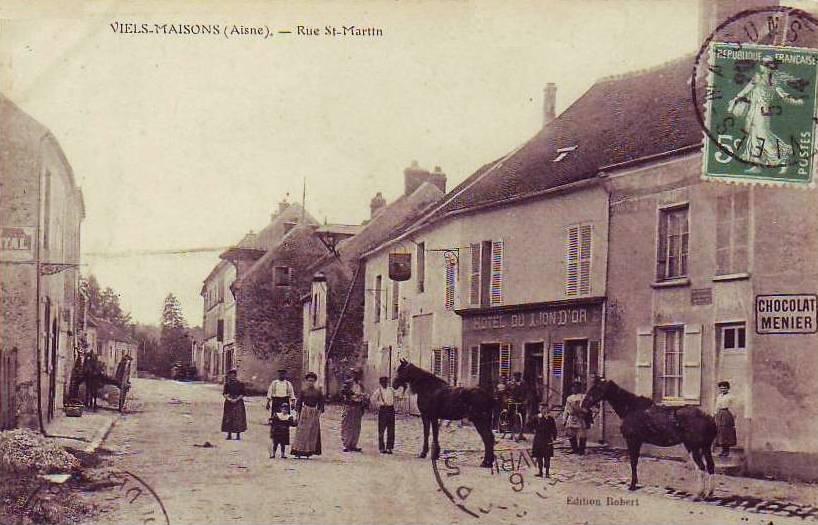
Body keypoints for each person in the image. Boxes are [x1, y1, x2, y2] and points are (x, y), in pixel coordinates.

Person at [728, 55, 804, 175]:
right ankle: (757, 164)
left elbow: (782, 94)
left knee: (764, 137)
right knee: (754, 138)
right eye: (764, 65)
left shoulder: (770, 80)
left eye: (766, 65)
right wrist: (735, 100)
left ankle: (782, 160)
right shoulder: (762, 78)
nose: (764, 67)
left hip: (761, 112)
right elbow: (746, 90)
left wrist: (795, 101)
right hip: (755, 111)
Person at [291, 372, 324, 458]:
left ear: (315, 381)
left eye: (312, 381)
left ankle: (308, 452)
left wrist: (318, 413)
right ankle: (298, 451)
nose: (310, 382)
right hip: (304, 412)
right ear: (306, 381)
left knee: (311, 432)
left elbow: (321, 404)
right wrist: (298, 414)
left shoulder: (318, 392)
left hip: (313, 412)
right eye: (309, 381)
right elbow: (299, 403)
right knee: (301, 432)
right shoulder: (303, 391)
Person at [341, 369, 367, 452]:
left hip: (358, 406)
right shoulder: (348, 383)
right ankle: (346, 444)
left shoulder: (361, 385)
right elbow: (343, 392)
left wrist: (363, 398)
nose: (356, 376)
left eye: (358, 374)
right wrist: (353, 394)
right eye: (355, 374)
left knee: (356, 426)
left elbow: (364, 395)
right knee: (347, 425)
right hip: (349, 405)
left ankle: (353, 444)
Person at [531, 402, 558, 477]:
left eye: (544, 408)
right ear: (539, 409)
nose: (543, 410)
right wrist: (534, 428)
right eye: (541, 408)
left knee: (547, 456)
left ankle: (547, 472)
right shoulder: (536, 417)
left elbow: (554, 429)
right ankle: (540, 471)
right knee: (539, 456)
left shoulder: (550, 419)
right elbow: (529, 425)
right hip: (538, 439)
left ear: (547, 409)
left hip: (547, 439)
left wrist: (554, 437)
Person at [370, 376, 396, 454]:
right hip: (383, 410)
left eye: (386, 382)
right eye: (383, 382)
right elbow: (372, 399)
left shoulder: (391, 390)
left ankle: (389, 448)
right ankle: (381, 447)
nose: (385, 383)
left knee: (391, 429)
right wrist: (380, 404)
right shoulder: (378, 391)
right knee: (381, 429)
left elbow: (397, 397)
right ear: (380, 383)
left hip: (391, 409)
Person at [562, 381, 589, 455]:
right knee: (571, 433)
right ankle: (575, 449)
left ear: (580, 388)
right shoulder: (569, 398)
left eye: (577, 387)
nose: (575, 389)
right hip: (572, 417)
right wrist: (564, 419)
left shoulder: (584, 397)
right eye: (573, 387)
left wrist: (583, 412)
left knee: (582, 434)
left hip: (580, 417)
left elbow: (587, 407)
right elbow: (566, 409)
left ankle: (581, 450)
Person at [221, 369, 247, 440]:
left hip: (238, 402)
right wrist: (229, 399)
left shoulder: (240, 384)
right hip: (229, 402)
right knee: (229, 418)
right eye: (230, 375)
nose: (232, 377)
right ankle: (229, 434)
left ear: (235, 375)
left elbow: (243, 393)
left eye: (233, 375)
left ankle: (238, 435)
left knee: (238, 418)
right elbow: (224, 393)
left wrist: (236, 399)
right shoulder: (227, 384)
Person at [714, 381, 737, 458]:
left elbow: (733, 406)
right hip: (720, 414)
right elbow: (717, 406)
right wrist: (715, 414)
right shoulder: (719, 396)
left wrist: (733, 416)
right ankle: (723, 450)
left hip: (727, 414)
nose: (723, 389)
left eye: (724, 388)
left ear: (728, 388)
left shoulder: (731, 397)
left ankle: (727, 451)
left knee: (726, 432)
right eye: (721, 388)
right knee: (720, 432)